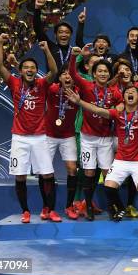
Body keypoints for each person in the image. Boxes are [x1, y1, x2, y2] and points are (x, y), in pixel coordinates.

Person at [65, 85, 138, 238]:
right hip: (121, 160)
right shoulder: (117, 113)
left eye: (133, 92)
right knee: (108, 188)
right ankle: (120, 208)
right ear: (123, 98)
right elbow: (98, 111)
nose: (130, 93)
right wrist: (79, 102)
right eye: (126, 92)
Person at [0, 34, 59, 223]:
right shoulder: (14, 83)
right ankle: (25, 211)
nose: (29, 70)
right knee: (20, 176)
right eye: (26, 67)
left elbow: (54, 71)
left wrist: (46, 50)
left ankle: (50, 209)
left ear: (36, 71)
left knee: (47, 174)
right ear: (21, 71)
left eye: (32, 68)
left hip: (40, 137)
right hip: (20, 138)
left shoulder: (41, 84)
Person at [68, 46, 123, 220]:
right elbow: (73, 74)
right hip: (88, 138)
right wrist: (74, 57)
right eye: (99, 71)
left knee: (108, 173)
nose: (103, 74)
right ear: (93, 74)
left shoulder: (114, 92)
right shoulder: (86, 86)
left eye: (105, 71)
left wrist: (118, 110)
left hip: (106, 138)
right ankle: (88, 206)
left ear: (109, 74)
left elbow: (121, 105)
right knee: (89, 173)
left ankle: (112, 207)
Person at [111, 58, 138, 218]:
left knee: (136, 173)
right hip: (113, 135)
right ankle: (115, 207)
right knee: (110, 174)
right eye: (121, 70)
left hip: (136, 133)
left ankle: (129, 205)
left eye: (127, 70)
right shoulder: (114, 87)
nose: (125, 73)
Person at [45, 67, 80, 220]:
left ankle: (69, 206)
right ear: (59, 78)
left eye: (70, 74)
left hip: (68, 135)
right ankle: (47, 207)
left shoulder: (79, 92)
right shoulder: (52, 89)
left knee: (72, 169)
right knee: (45, 171)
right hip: (49, 135)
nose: (67, 76)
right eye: (64, 74)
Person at [32, 0, 84, 69]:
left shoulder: (74, 52)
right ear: (55, 35)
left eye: (67, 32)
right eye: (61, 32)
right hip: (52, 80)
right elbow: (38, 30)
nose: (64, 35)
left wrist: (81, 24)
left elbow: (80, 42)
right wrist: (37, 9)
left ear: (71, 35)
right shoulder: (50, 47)